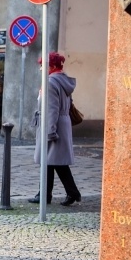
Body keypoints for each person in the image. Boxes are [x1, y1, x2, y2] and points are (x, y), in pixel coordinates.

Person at [29, 52, 81, 206]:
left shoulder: (50, 82)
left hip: (52, 124)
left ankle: (45, 195)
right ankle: (66, 193)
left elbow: (51, 109)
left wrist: (50, 131)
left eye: (42, 66)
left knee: (50, 161)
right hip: (62, 123)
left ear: (51, 66)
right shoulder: (63, 80)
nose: (40, 69)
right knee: (54, 162)